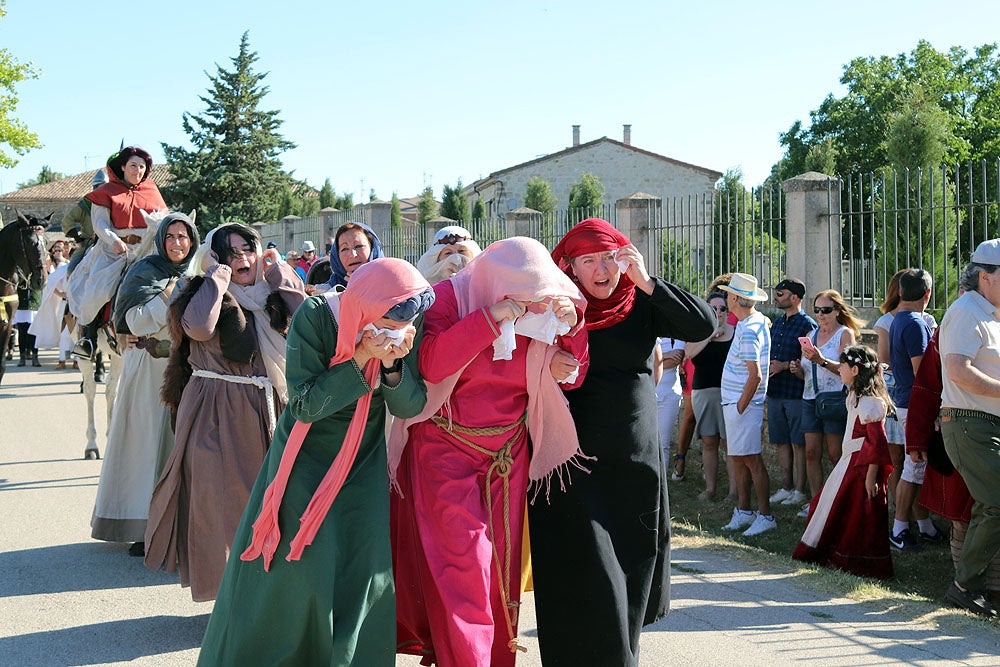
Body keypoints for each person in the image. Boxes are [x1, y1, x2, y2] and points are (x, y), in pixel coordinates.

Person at [197, 258, 434, 664]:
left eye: (403, 326)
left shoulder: (405, 321)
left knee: (362, 570)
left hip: (362, 459)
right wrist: (360, 356)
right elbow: (305, 404)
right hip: (304, 458)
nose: (396, 332)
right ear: (365, 305)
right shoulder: (318, 315)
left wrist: (393, 364)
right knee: (299, 569)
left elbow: (410, 403)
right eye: (388, 323)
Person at [391, 237, 588, 667]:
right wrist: (489, 318)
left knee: (500, 572)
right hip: (444, 449)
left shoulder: (541, 303)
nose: (532, 306)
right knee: (465, 568)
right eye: (521, 297)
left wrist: (572, 333)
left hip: (507, 454)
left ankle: (493, 660)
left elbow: (573, 375)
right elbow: (433, 364)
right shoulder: (447, 298)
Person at [529, 219, 715, 666]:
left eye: (608, 258)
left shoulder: (641, 301)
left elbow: (702, 324)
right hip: (568, 460)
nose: (600, 269)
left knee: (629, 573)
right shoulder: (553, 305)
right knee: (588, 574)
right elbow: (514, 357)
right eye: (588, 260)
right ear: (570, 265)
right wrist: (543, 363)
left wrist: (648, 282)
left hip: (632, 458)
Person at [144, 223, 306, 602]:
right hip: (215, 411)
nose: (242, 259)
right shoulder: (198, 291)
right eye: (230, 252)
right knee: (218, 505)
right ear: (215, 257)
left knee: (274, 503)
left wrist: (279, 270)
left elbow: (305, 318)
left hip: (271, 409)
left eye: (247, 248)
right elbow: (200, 328)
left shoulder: (273, 294)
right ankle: (225, 600)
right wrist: (217, 275)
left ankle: (267, 595)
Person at [90, 212, 198, 555]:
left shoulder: (198, 276)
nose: (177, 243)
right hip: (148, 369)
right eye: (171, 237)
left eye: (183, 237)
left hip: (189, 369)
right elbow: (132, 322)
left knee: (181, 445)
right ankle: (142, 525)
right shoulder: (145, 271)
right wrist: (165, 297)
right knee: (146, 445)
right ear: (161, 239)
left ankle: (180, 524)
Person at [792, 345, 894, 579]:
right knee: (831, 506)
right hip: (849, 462)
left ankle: (858, 560)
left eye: (844, 367)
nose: (840, 370)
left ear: (856, 370)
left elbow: (876, 444)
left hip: (862, 467)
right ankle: (829, 549)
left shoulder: (871, 403)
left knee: (858, 512)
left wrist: (870, 478)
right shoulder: (854, 395)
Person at [937, 239, 1000, 617]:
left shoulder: (989, 313)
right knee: (996, 501)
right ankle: (964, 586)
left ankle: (967, 585)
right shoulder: (966, 311)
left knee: (992, 503)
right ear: (985, 276)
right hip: (968, 422)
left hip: (981, 421)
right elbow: (959, 370)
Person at [69, 147, 167, 360]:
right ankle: (88, 339)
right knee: (100, 289)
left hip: (147, 249)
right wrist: (114, 240)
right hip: (114, 251)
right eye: (133, 165)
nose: (138, 170)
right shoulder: (106, 192)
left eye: (142, 167)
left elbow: (163, 220)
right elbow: (100, 224)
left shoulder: (152, 191)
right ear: (123, 167)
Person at [887, 268, 946, 550]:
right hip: (915, 404)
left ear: (900, 292)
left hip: (905, 400)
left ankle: (925, 527)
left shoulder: (899, 319)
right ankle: (899, 530)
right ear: (928, 294)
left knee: (917, 467)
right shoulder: (915, 324)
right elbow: (923, 372)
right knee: (913, 467)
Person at [718, 273, 776, 537]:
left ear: (735, 298)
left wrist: (740, 406)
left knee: (751, 459)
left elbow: (756, 374)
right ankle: (744, 510)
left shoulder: (751, 327)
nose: (726, 297)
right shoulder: (751, 322)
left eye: (729, 293)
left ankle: (765, 515)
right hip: (737, 403)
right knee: (740, 458)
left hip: (742, 405)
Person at [794, 289, 859, 518]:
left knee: (834, 453)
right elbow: (807, 372)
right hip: (810, 398)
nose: (821, 315)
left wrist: (820, 360)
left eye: (826, 310)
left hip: (834, 399)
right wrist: (797, 370)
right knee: (811, 453)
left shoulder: (845, 334)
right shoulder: (810, 334)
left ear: (837, 311)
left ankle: (840, 499)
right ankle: (816, 501)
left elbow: (847, 371)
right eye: (818, 310)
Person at [767, 278, 816, 508]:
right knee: (781, 442)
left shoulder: (808, 325)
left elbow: (809, 363)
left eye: (780, 293)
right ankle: (786, 487)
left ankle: (799, 491)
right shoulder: (776, 323)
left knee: (799, 444)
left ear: (794, 297)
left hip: (796, 393)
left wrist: (784, 366)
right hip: (775, 392)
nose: (776, 296)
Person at [685, 291, 737, 502]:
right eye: (713, 308)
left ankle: (734, 492)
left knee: (729, 443)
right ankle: (710, 489)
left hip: (728, 393)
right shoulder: (698, 332)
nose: (718, 312)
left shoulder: (736, 332)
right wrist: (710, 334)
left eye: (722, 308)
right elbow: (689, 353)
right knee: (708, 442)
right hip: (703, 392)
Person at [12, 218, 48, 367]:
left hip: (34, 301)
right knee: (22, 331)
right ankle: (22, 356)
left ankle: (35, 356)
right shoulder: (20, 268)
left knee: (34, 332)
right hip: (22, 302)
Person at [656, 336, 686, 476]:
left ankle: (661, 481)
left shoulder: (675, 334)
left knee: (663, 443)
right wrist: (666, 355)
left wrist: (655, 359)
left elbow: (676, 360)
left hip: (669, 396)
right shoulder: (648, 330)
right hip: (647, 393)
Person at [415, 225, 483, 284]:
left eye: (461, 251)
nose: (456, 259)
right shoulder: (428, 288)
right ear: (438, 258)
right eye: (448, 253)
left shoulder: (485, 281)